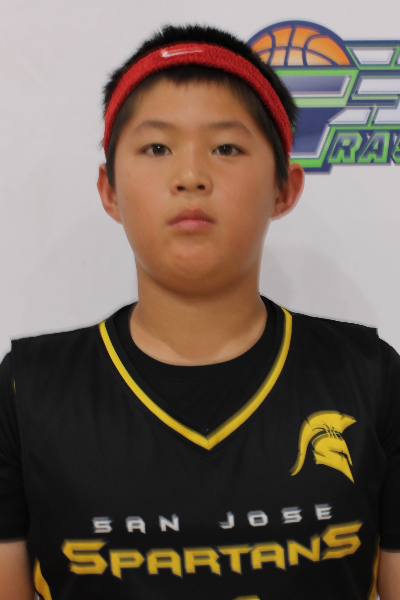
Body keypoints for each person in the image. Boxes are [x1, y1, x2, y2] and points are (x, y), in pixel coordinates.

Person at [0, 23, 399, 600]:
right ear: (109, 191)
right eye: (157, 148)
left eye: (226, 148)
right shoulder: (27, 392)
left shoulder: (369, 377)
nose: (190, 176)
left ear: (284, 188)